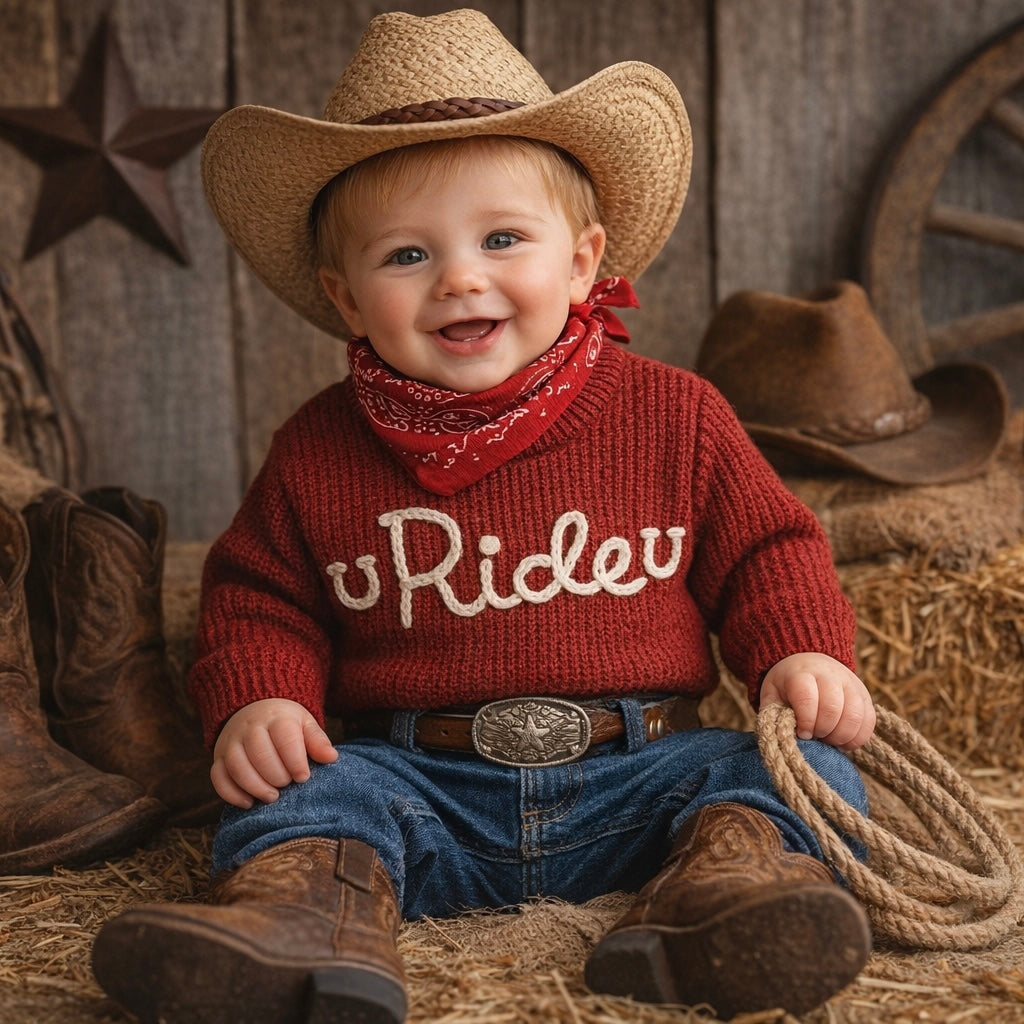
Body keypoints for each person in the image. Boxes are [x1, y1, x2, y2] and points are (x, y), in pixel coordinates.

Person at [92, 9, 876, 1023]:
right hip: (422, 785)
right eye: (406, 256)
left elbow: (766, 548)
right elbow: (259, 594)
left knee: (800, 770)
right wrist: (260, 701)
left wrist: (800, 651)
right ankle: (301, 923)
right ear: (343, 295)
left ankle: (725, 902)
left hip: (644, 774)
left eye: (502, 238)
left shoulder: (673, 415)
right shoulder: (318, 450)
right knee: (304, 801)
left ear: (584, 260)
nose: (461, 276)